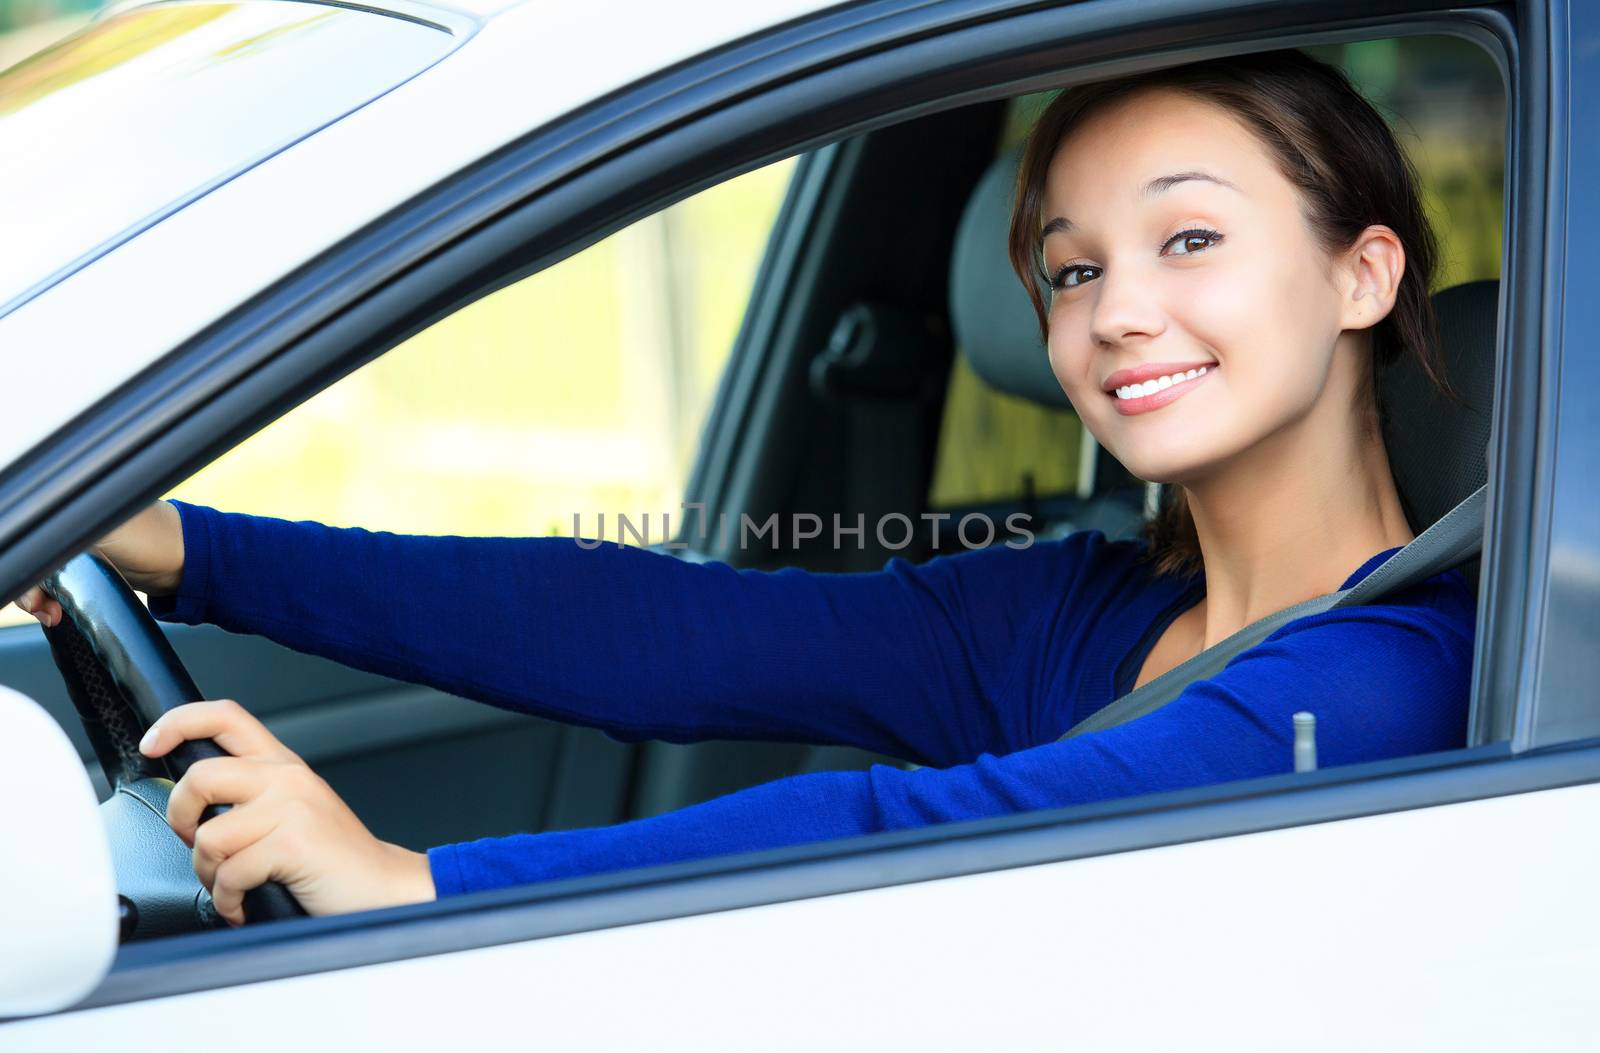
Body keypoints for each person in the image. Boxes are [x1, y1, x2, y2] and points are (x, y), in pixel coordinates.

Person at [13, 49, 1478, 927]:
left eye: (1190, 241)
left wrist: (420, 887)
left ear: (1364, 272)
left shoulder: (1380, 685)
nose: (1118, 313)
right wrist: (178, 540)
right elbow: (657, 626)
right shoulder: (1082, 601)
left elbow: (925, 835)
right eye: (1076, 267)